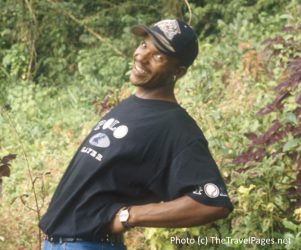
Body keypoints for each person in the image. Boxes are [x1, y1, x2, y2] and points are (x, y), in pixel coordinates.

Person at [39, 19, 233, 250]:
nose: (141, 57)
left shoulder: (176, 127)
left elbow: (212, 202)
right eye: (143, 45)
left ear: (178, 72)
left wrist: (130, 216)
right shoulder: (131, 105)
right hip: (57, 243)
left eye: (158, 56)